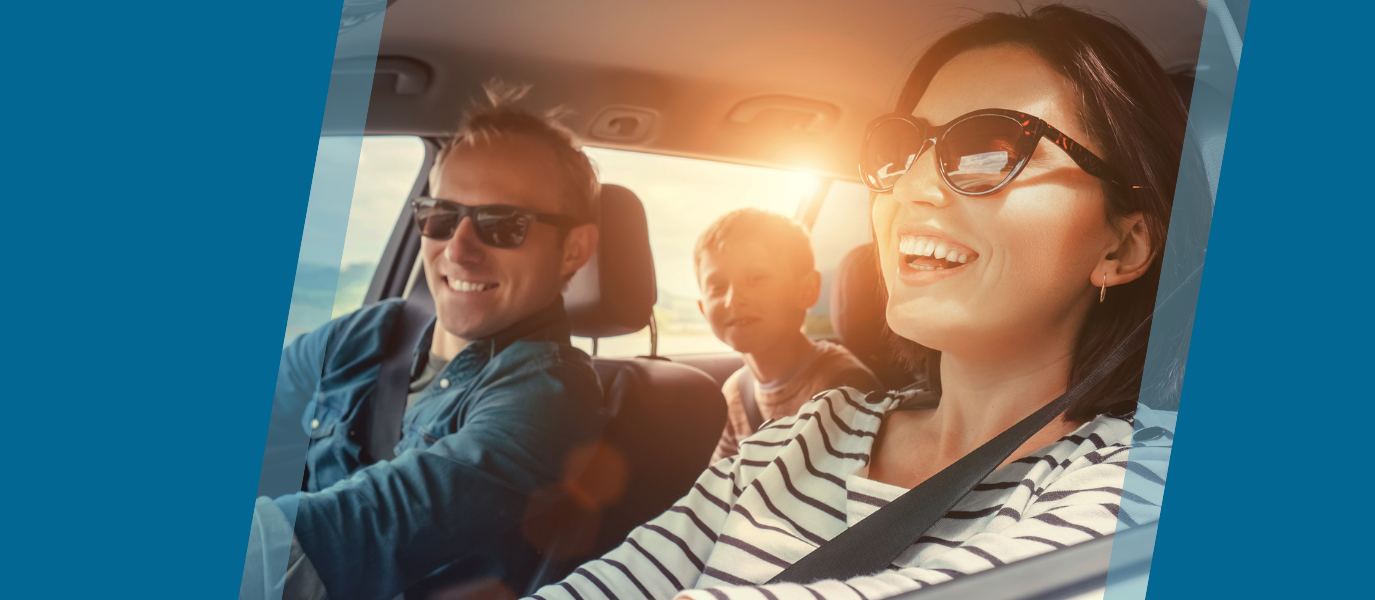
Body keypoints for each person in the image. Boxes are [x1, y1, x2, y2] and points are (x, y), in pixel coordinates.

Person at [525, 6, 1186, 600]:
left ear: (1122, 247)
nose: (911, 188)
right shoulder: (798, 436)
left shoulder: (1143, 479)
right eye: (903, 152)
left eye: (991, 150)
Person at [241, 83, 608, 600]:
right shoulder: (371, 332)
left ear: (574, 250)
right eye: (440, 216)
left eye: (503, 225)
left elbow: (360, 529)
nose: (458, 250)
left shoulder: (548, 395)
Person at [693, 209, 880, 463]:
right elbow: (721, 485)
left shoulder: (844, 387)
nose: (733, 299)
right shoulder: (735, 392)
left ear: (806, 290)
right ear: (703, 309)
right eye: (717, 286)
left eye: (756, 278)